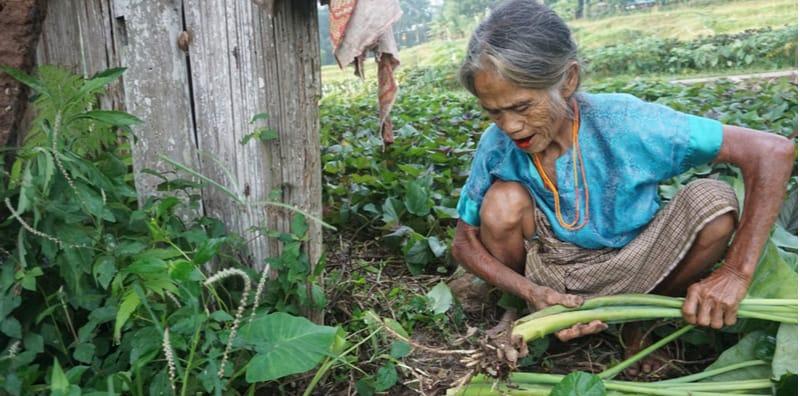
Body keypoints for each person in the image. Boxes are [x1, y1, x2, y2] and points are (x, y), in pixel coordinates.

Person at [450, 0, 795, 375]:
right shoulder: (496, 144)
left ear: (568, 80)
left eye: (522, 106)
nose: (511, 126)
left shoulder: (627, 123)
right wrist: (531, 291)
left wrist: (736, 273)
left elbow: (772, 151)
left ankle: (637, 321)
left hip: (639, 264)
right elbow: (464, 240)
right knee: (502, 203)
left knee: (713, 202)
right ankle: (519, 310)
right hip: (546, 270)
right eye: (494, 112)